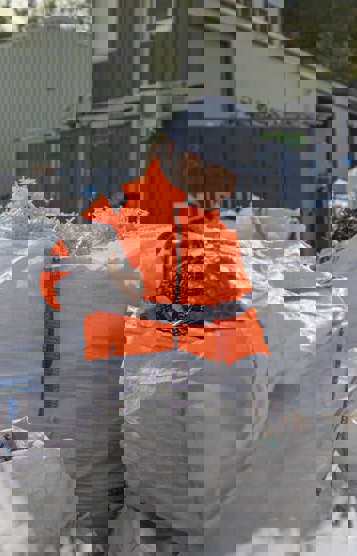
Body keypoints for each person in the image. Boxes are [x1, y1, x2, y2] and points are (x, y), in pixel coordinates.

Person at [55, 137, 271, 554]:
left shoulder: (189, 224)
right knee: (168, 477)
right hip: (185, 348)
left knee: (187, 479)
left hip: (199, 350)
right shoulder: (152, 214)